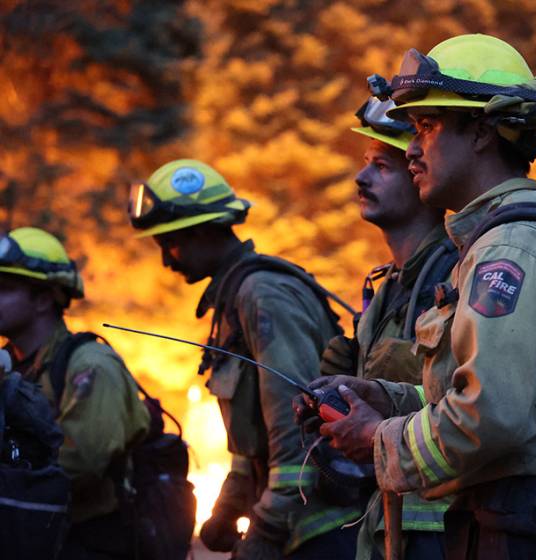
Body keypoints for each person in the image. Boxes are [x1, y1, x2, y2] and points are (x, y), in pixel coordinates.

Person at [298, 34, 536, 559]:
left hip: (527, 529)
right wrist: (385, 399)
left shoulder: (511, 250)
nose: (410, 147)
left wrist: (379, 437)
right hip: (518, 520)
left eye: (427, 127)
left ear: (480, 133)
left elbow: (491, 416)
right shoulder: (501, 241)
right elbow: (509, 400)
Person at [128, 159, 359, 560]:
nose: (166, 260)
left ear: (201, 230)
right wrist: (229, 505)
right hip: (296, 523)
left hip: (324, 530)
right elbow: (251, 431)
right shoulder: (235, 299)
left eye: (170, 243)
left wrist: (266, 530)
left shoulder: (262, 295)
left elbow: (295, 425)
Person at [317, 96, 456, 560]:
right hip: (387, 519)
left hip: (439, 526)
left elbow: (468, 405)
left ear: (418, 176)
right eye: (364, 163)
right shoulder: (387, 289)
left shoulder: (455, 276)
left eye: (382, 166)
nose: (361, 177)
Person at [0, 227, 151, 560]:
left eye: (5, 289)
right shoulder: (10, 368)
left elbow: (83, 460)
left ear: (43, 299)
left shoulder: (90, 364)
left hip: (88, 542)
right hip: (29, 536)